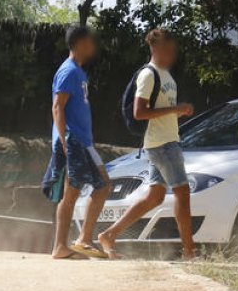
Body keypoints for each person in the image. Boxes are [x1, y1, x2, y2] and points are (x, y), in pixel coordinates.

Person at [98, 28, 197, 260]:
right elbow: (140, 112)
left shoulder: (167, 76)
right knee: (182, 192)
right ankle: (190, 252)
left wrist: (177, 112)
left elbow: (159, 112)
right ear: (154, 48)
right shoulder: (149, 74)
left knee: (155, 197)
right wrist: (175, 109)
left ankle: (109, 235)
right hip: (161, 144)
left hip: (167, 140)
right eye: (166, 49)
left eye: (173, 50)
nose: (171, 54)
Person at [41, 24, 111, 259]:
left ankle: (83, 239)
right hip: (73, 140)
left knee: (102, 186)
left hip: (84, 141)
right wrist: (63, 141)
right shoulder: (68, 71)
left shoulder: (79, 72)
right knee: (71, 193)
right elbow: (57, 106)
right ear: (80, 43)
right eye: (90, 42)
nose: (93, 46)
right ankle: (60, 247)